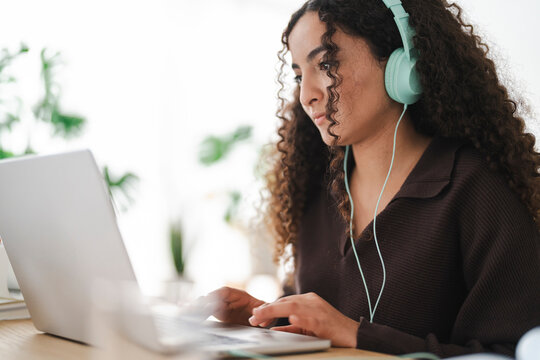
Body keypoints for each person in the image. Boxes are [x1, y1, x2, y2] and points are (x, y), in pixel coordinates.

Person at [201, 0, 540, 357]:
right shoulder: (317, 191)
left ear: (400, 66)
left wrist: (357, 334)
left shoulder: (476, 188)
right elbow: (320, 329)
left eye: (327, 64)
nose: (306, 95)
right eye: (300, 75)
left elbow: (510, 352)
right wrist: (265, 318)